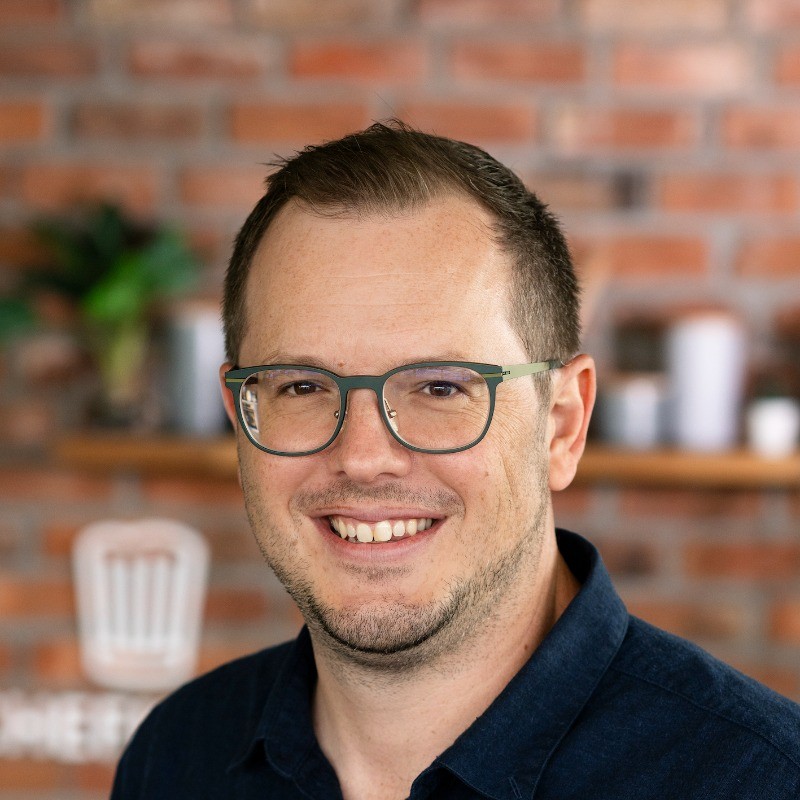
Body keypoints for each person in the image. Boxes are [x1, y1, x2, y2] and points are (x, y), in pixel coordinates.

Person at [111, 121, 800, 799]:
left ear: (562, 425)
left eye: (440, 387)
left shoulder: (762, 781)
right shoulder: (175, 757)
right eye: (301, 387)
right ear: (241, 418)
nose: (363, 457)